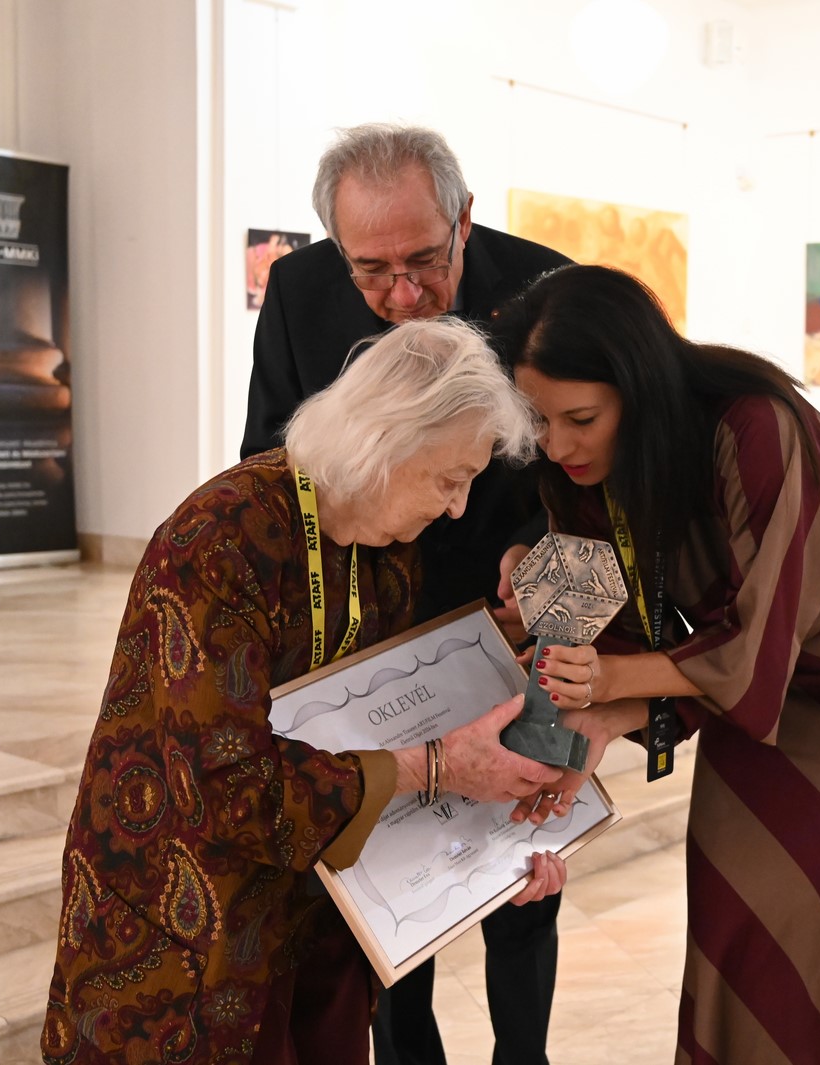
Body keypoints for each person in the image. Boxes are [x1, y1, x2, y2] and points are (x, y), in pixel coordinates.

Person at [493, 266, 820, 1064]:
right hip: (750, 676)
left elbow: (752, 637)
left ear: (639, 386)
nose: (557, 445)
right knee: (738, 906)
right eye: (539, 421)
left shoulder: (756, 425)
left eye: (580, 419)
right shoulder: (574, 467)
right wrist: (573, 717)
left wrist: (613, 686)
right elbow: (596, 622)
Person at [40, 319, 567, 1065]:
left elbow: (385, 731)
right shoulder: (221, 537)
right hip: (187, 928)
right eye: (451, 479)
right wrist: (438, 766)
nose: (456, 507)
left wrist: (491, 857)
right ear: (387, 442)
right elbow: (224, 788)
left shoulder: (388, 555)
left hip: (317, 919)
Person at [239, 123, 570, 1065]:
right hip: (372, 633)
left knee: (525, 877)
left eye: (425, 260)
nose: (404, 295)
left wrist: (539, 569)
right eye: (372, 271)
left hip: (512, 625)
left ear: (463, 220)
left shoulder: (547, 288)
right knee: (390, 892)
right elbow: (270, 457)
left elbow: (589, 485)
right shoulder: (299, 290)